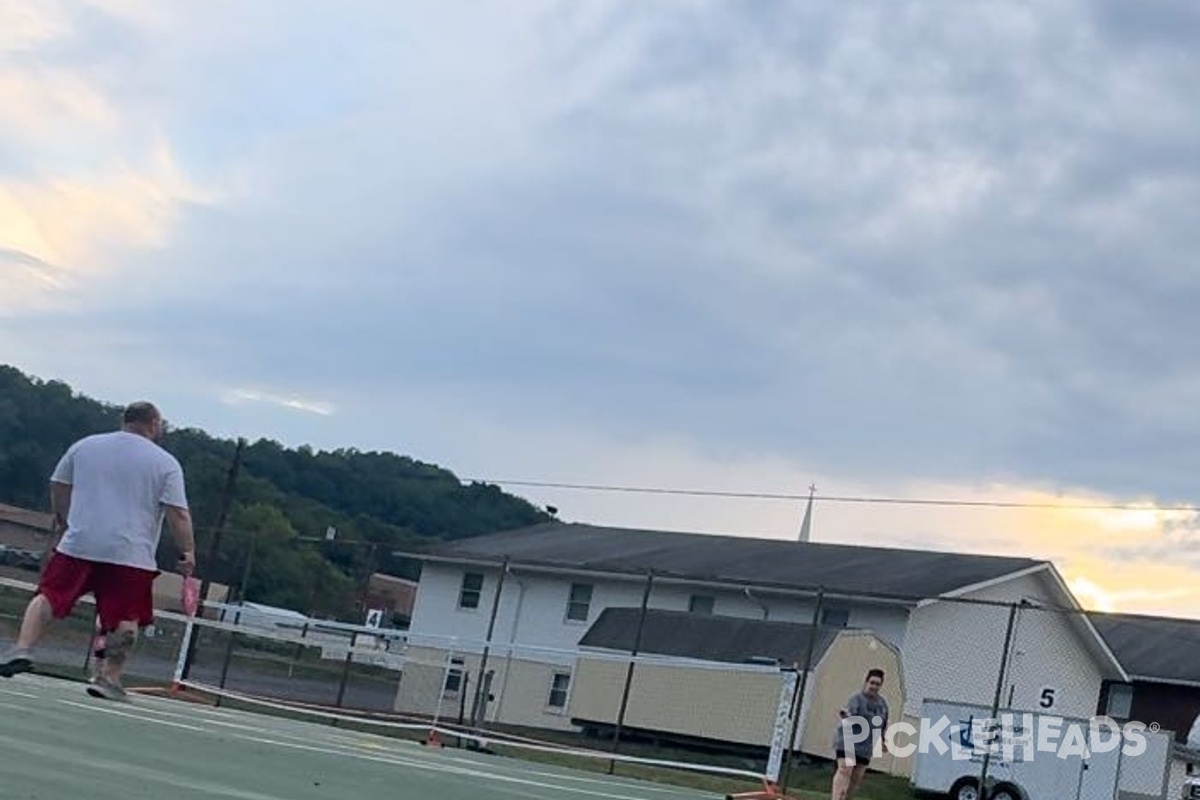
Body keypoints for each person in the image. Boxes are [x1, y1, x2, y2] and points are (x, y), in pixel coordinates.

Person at [0, 401, 196, 701]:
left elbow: (58, 485)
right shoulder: (165, 463)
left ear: (124, 420)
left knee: (48, 595)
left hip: (80, 543)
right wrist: (188, 551)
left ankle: (23, 647)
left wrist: (64, 520)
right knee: (126, 617)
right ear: (154, 425)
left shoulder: (85, 446)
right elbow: (178, 514)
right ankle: (109, 678)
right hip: (130, 554)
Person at [831, 668, 889, 800]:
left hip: (865, 747)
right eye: (872, 683)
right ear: (866, 682)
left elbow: (883, 724)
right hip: (849, 742)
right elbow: (850, 714)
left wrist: (884, 741)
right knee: (845, 770)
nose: (874, 686)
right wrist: (846, 715)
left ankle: (846, 797)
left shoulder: (882, 705)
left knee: (856, 778)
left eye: (877, 684)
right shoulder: (857, 699)